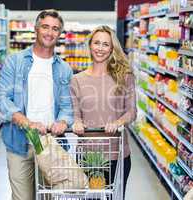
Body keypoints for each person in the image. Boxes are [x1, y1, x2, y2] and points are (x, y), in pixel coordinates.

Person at [0, 10, 73, 200]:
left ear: (60, 33)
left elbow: (67, 105)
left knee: (50, 196)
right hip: (19, 143)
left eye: (55, 29)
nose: (50, 32)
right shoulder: (15, 62)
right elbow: (3, 99)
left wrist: (63, 121)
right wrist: (26, 122)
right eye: (45, 27)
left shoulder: (64, 68)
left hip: (51, 144)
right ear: (36, 29)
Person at [70, 25, 136, 199]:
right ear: (90, 45)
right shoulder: (77, 80)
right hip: (88, 156)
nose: (100, 48)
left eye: (105, 44)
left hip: (117, 153)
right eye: (96, 43)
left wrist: (117, 122)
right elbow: (76, 113)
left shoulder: (125, 76)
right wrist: (76, 122)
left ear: (112, 48)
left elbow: (132, 112)